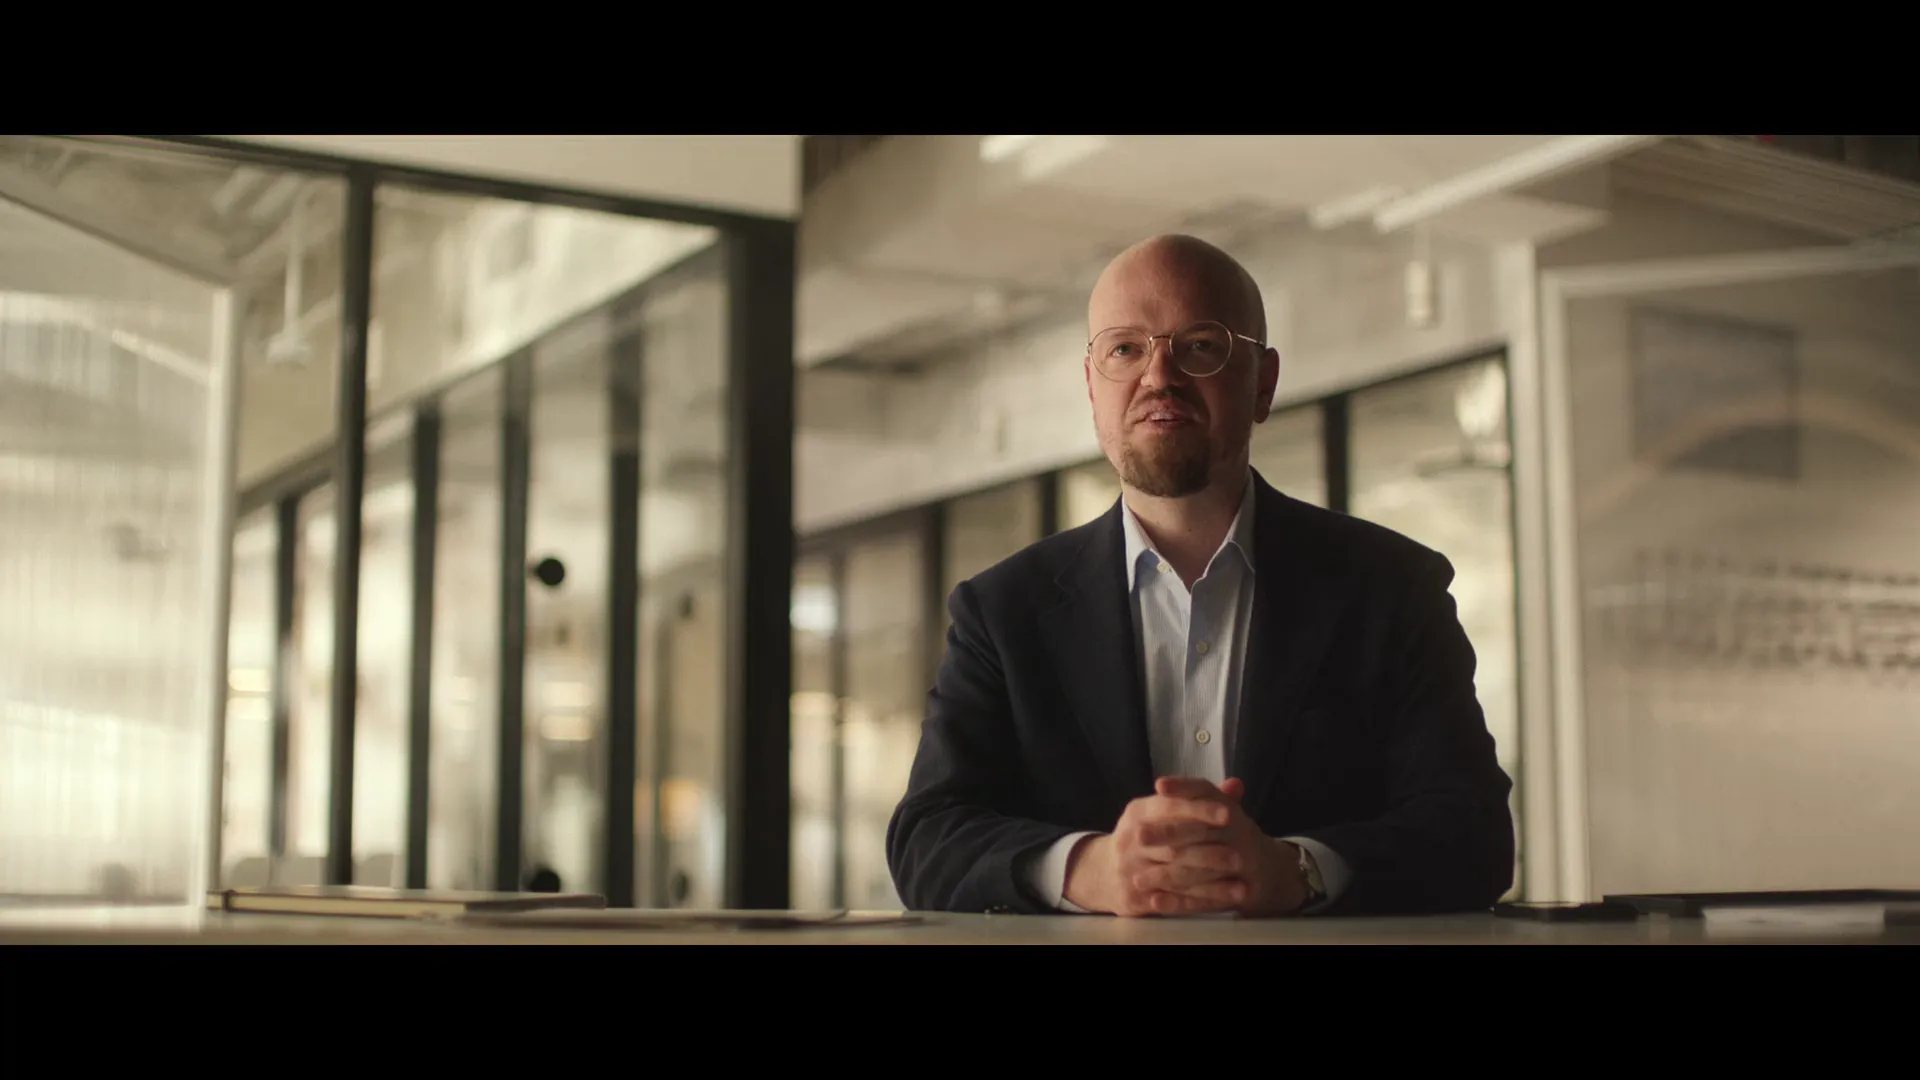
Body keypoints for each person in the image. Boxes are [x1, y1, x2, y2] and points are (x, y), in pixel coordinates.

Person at [886, 235, 1514, 917]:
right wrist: (1090, 870)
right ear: (1092, 386)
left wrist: (1297, 870)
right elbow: (927, 838)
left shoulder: (1393, 589)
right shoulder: (1001, 611)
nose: (1160, 376)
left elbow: (1474, 834)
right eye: (1125, 349)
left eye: (1201, 345)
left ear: (1263, 383)